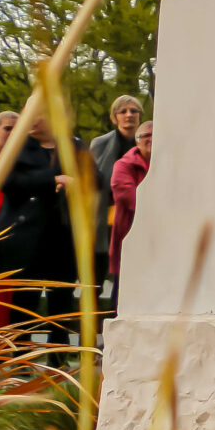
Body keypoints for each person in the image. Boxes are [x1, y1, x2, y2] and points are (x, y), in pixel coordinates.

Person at [0, 108, 77, 343]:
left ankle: (58, 356)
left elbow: (96, 179)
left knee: (62, 302)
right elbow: (7, 182)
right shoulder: (17, 147)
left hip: (63, 238)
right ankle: (21, 358)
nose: (33, 120)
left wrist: (78, 183)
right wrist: (52, 180)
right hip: (27, 240)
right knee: (24, 304)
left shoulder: (72, 146)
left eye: (40, 115)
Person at [88, 95, 141, 316]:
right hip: (104, 217)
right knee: (97, 270)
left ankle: (119, 315)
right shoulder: (100, 144)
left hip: (135, 217)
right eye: (123, 111)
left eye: (134, 111)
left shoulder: (148, 142)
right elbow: (94, 180)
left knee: (127, 270)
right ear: (114, 117)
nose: (129, 115)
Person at [110, 120, 152, 286]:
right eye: (146, 135)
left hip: (162, 238)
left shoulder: (170, 164)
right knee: (125, 287)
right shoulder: (123, 166)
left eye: (155, 135)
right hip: (131, 234)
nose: (151, 139)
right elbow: (129, 198)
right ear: (137, 141)